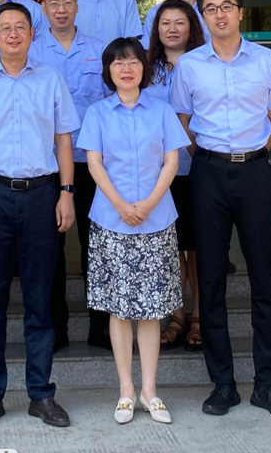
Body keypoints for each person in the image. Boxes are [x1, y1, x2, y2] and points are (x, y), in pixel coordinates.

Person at [168, 0, 271, 418]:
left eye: (227, 6)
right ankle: (223, 383)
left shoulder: (268, 60)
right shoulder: (189, 65)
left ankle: (267, 384)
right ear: (202, 16)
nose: (219, 14)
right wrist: (207, 157)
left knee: (264, 278)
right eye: (210, 8)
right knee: (210, 280)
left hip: (255, 171)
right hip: (207, 172)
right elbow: (181, 119)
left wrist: (258, 150)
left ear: (240, 12)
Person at [0, 2, 79, 431]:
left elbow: (64, 139)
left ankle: (41, 394)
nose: (12, 33)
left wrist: (66, 193)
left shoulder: (51, 78)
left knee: (39, 301)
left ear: (31, 33)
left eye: (20, 27)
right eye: (4, 27)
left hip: (42, 195)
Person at [79, 37, 189, 425]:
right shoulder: (97, 113)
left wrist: (148, 204)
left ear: (144, 68)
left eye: (133, 62)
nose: (126, 69)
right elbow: (94, 164)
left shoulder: (162, 110)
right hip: (112, 221)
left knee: (152, 309)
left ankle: (150, 391)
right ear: (108, 71)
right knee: (120, 308)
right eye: (118, 63)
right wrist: (123, 206)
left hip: (156, 221)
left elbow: (172, 162)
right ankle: (126, 390)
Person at [29, 0, 108, 351]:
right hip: (48, 167)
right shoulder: (30, 51)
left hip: (93, 164)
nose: (60, 10)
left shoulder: (99, 50)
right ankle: (55, 327)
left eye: (67, 3)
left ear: (77, 7)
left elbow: (111, 106)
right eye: (53, 4)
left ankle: (101, 325)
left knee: (97, 245)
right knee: (50, 250)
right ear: (43, 8)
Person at [145, 0, 207, 353]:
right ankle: (176, 316)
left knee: (196, 246)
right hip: (157, 174)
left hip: (197, 167)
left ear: (191, 27)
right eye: (165, 22)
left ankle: (198, 316)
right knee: (169, 247)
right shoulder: (145, 68)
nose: (172, 28)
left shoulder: (204, 64)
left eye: (179, 22)